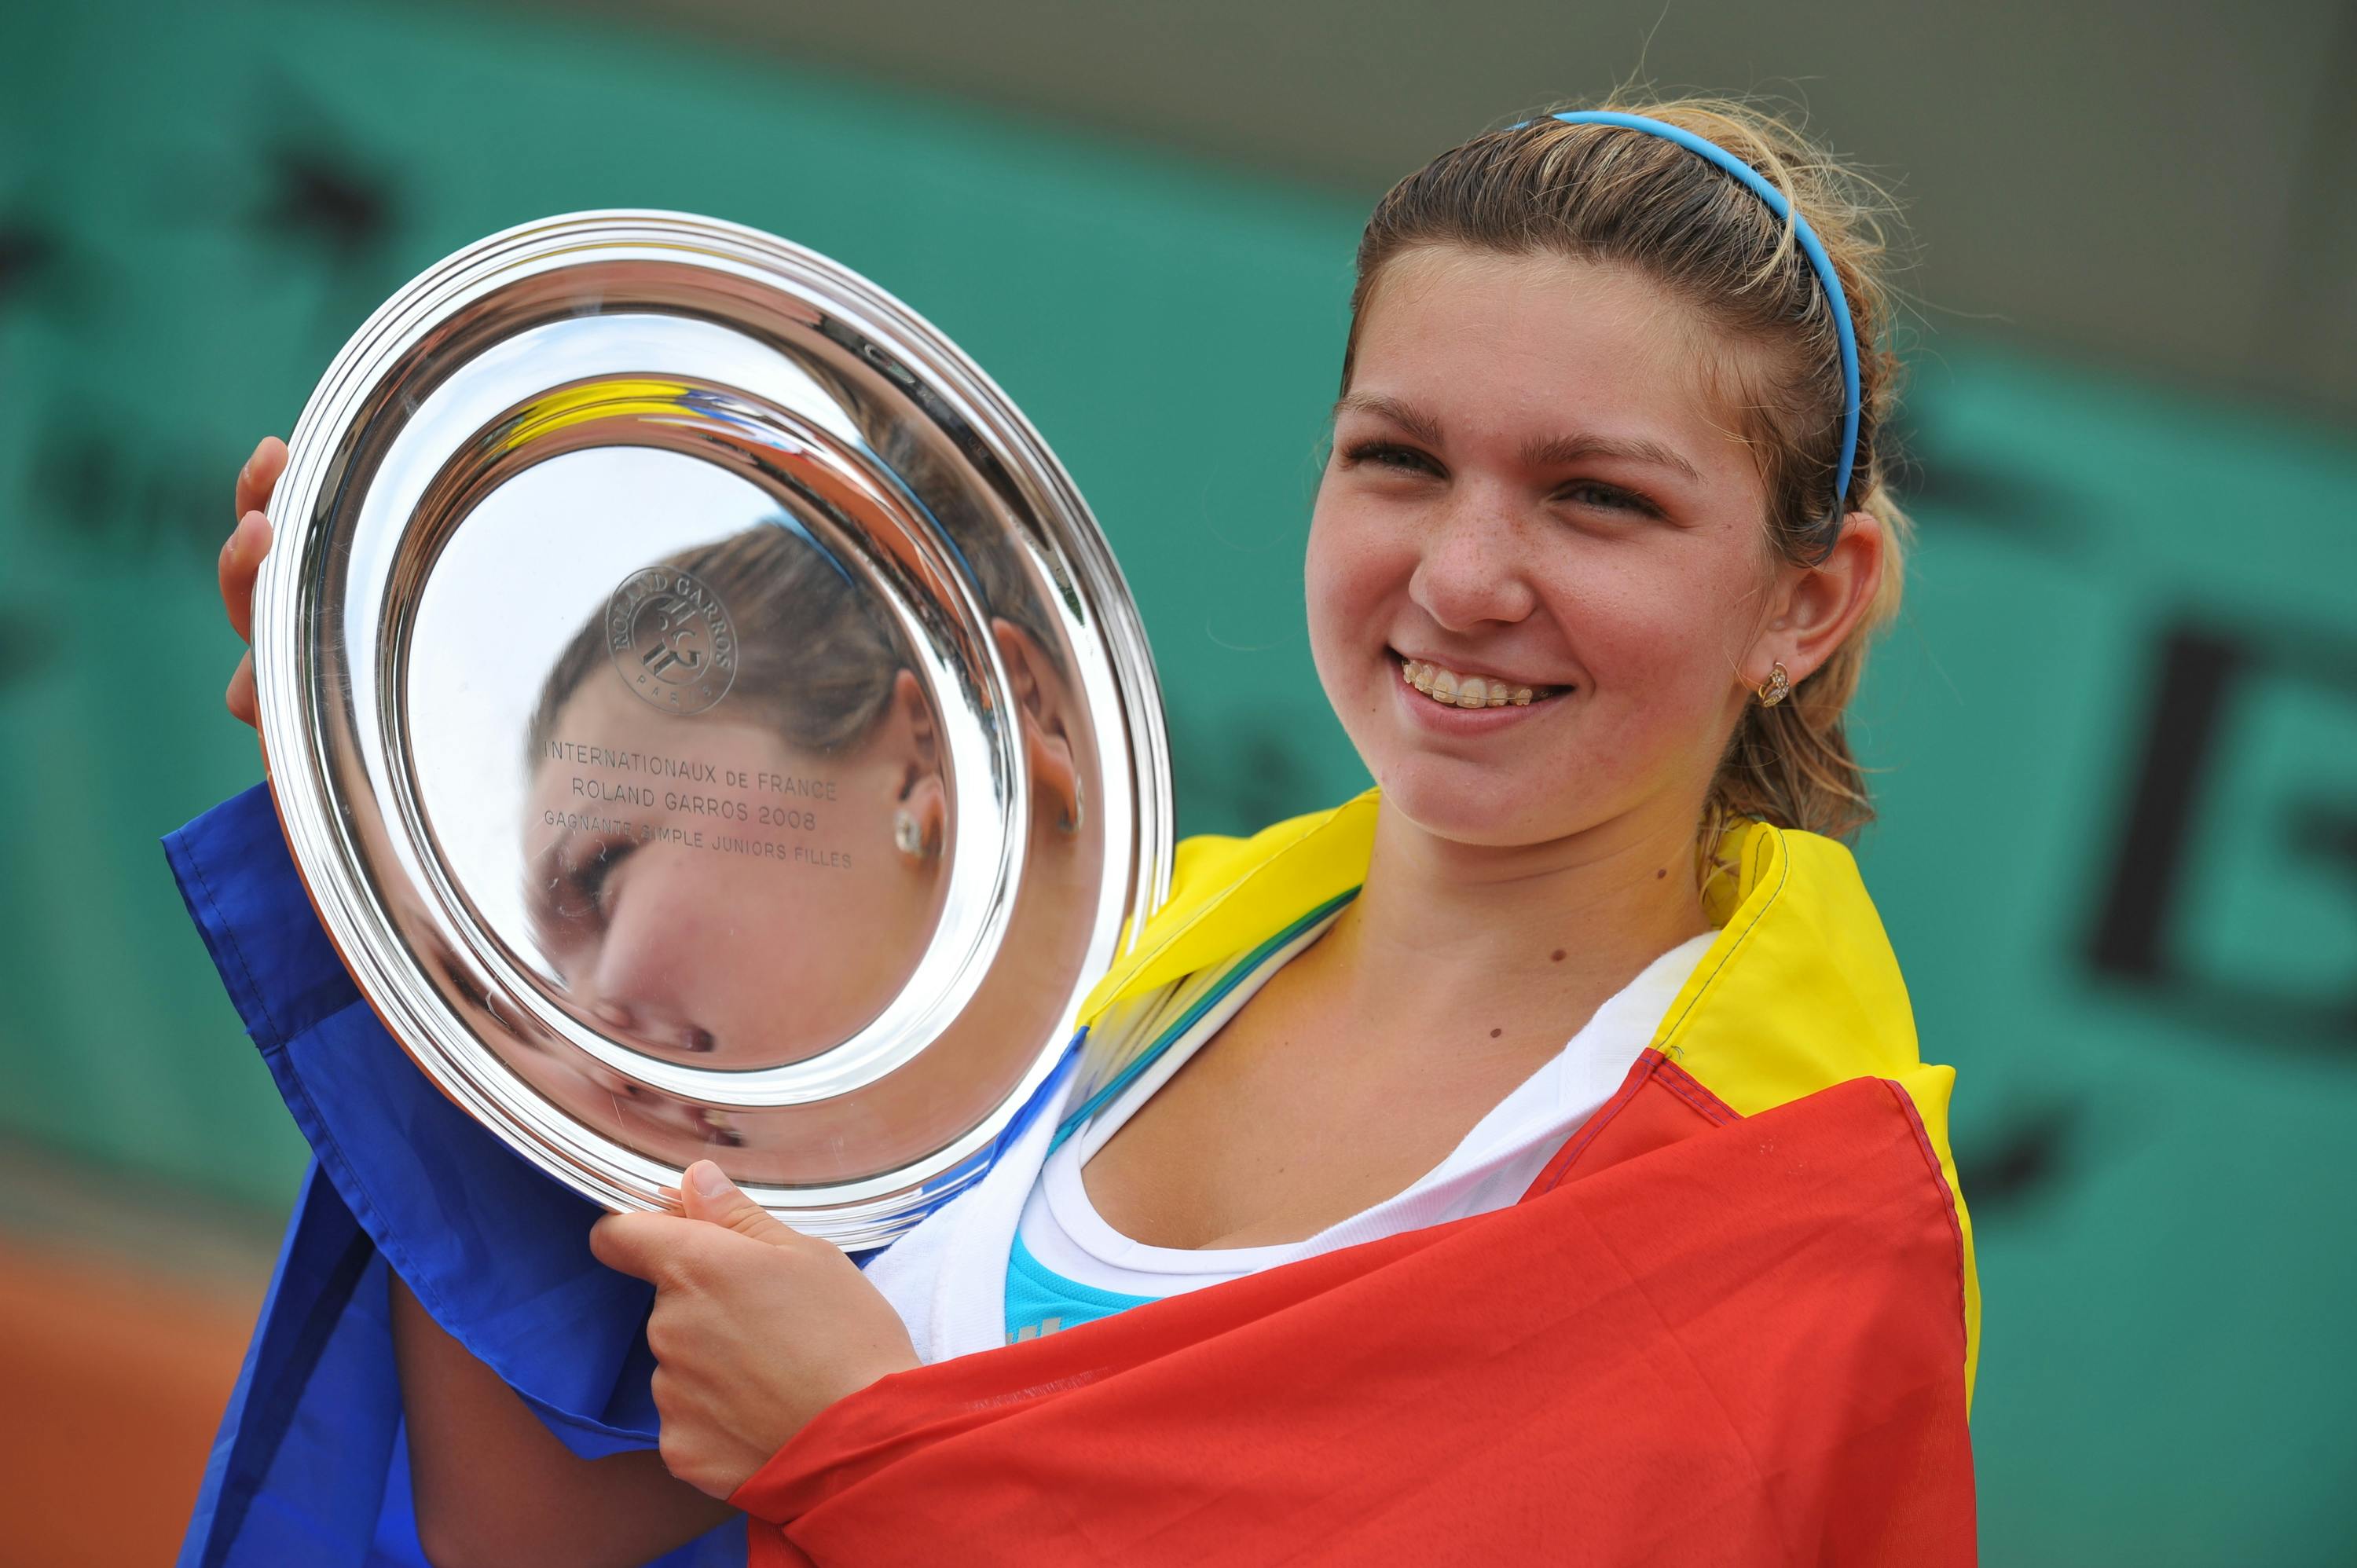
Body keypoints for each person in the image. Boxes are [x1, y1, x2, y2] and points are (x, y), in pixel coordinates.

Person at [178, 93, 1978, 1567]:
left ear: (1810, 603)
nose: (1461, 574)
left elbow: (848, 1457)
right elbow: (546, 1519)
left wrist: (877, 1455)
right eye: (1399, 459)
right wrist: (402, 860)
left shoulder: (1783, 1223)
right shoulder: (1120, 968)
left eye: (1597, 499)